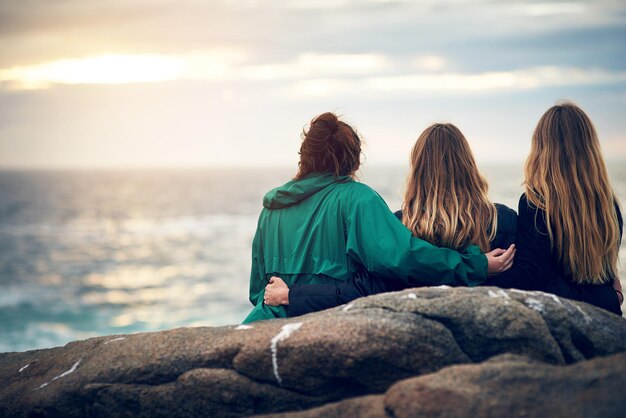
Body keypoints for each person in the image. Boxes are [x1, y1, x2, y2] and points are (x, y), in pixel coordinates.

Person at [243, 113, 515, 323]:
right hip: (325, 327)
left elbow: (258, 292)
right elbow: (404, 258)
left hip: (263, 326)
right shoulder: (357, 199)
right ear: (355, 162)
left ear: (304, 157)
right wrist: (474, 265)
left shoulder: (272, 208)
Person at [487, 102, 623, 315]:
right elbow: (607, 283)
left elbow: (533, 277)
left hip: (563, 319)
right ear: (590, 147)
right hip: (605, 319)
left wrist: (475, 281)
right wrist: (609, 299)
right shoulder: (609, 206)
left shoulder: (537, 203)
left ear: (542, 148)